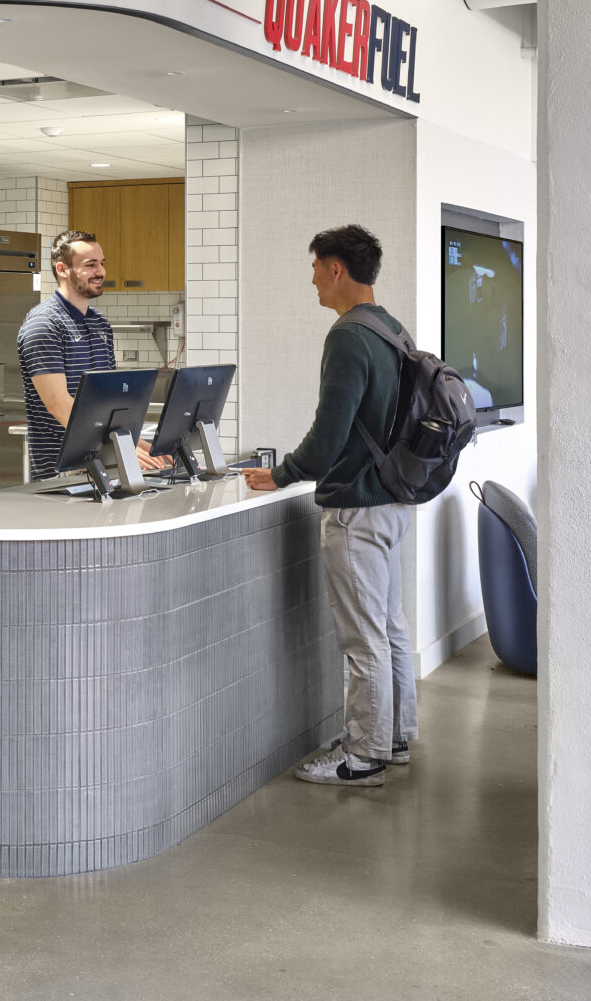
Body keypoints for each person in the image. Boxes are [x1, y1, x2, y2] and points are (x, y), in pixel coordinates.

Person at [242, 224, 416, 788]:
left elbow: (328, 435)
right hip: (392, 501)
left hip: (355, 510)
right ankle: (394, 737)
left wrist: (282, 473)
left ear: (336, 268)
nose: (312, 279)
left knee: (363, 639)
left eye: (316, 267)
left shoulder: (347, 336)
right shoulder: (392, 329)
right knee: (389, 626)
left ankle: (362, 758)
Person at [17, 229, 165, 481]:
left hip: (105, 465)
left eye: (102, 263)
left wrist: (136, 444)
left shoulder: (100, 323)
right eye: (90, 264)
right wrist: (120, 449)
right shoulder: (44, 324)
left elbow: (108, 401)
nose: (101, 272)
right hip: (64, 472)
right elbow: (58, 404)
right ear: (63, 269)